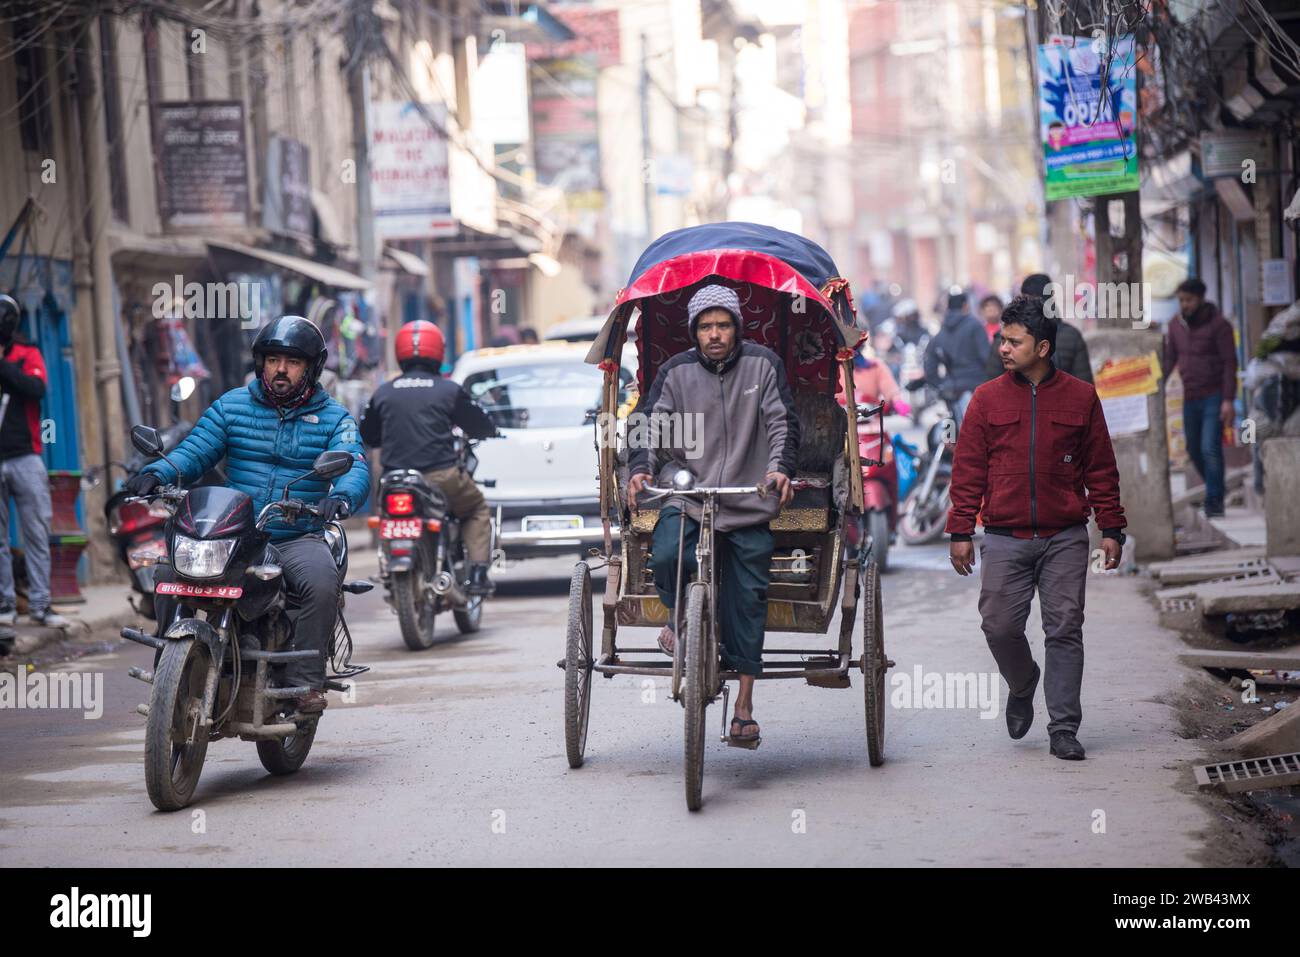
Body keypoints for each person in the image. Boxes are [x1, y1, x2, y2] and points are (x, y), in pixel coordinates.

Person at [125, 316, 370, 713]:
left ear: (311, 368)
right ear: (262, 363)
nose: (281, 369)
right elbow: (195, 450)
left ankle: (304, 681)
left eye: (292, 362)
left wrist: (339, 498)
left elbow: (355, 464)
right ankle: (168, 667)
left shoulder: (334, 419)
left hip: (294, 534)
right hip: (234, 533)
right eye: (273, 360)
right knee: (170, 575)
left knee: (321, 584)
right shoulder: (232, 406)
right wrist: (156, 472)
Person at [946, 295, 1126, 761]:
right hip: (1005, 536)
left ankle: (1063, 727)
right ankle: (1023, 680)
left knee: (1065, 629)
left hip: (1065, 535)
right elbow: (968, 470)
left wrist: (1111, 527)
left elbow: (1101, 468)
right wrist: (960, 530)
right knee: (999, 626)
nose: (1003, 348)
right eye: (1002, 340)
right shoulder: (986, 399)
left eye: (1013, 341)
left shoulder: (1081, 397)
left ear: (1042, 347)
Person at [626, 284, 799, 746]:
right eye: (706, 326)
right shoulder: (676, 372)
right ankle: (679, 620)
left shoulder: (762, 365)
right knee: (665, 554)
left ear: (737, 328)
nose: (715, 334)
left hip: (746, 499)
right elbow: (647, 424)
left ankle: (743, 706)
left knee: (748, 598)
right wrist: (641, 469)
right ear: (694, 332)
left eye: (723, 325)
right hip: (690, 495)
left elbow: (783, 422)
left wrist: (779, 469)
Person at [359, 320, 498, 595]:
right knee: (476, 509)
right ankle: (479, 573)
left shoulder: (383, 392)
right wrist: (490, 430)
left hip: (394, 480)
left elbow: (369, 435)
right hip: (441, 477)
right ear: (438, 351)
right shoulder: (448, 390)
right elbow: (479, 424)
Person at [0, 294, 66, 628]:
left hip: (26, 457)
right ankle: (5, 604)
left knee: (37, 532)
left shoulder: (27, 354)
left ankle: (41, 604)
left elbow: (36, 388)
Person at [1164, 277, 1237, 517]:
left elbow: (1229, 363)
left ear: (1201, 299)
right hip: (1190, 397)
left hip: (1214, 395)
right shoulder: (1175, 325)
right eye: (1181, 300)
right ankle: (1216, 486)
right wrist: (1156, 386)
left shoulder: (1219, 325)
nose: (1184, 305)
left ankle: (1215, 500)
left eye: (1189, 300)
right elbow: (1169, 359)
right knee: (1194, 450)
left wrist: (1228, 399)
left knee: (1209, 448)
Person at [985, 274, 1093, 383]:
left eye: (1015, 343)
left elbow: (992, 384)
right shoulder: (1072, 335)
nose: (1005, 348)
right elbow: (1084, 385)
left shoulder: (1003, 337)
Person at [922, 288, 989, 430]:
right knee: (979, 431)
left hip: (951, 389)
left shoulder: (941, 332)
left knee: (957, 431)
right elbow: (986, 358)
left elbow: (929, 364)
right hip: (977, 386)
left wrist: (940, 385)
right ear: (966, 305)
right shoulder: (975, 326)